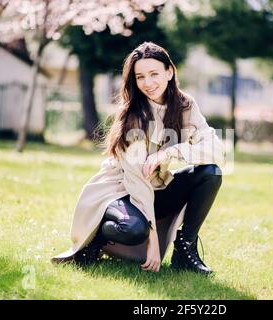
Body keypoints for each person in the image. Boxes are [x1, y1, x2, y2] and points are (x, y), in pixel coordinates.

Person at [52, 42, 224, 275]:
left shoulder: (185, 105)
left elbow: (216, 149)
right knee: (134, 229)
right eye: (140, 76)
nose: (148, 83)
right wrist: (152, 241)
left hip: (154, 188)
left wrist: (170, 152)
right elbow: (136, 179)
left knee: (210, 173)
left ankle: (185, 251)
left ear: (169, 72)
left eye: (154, 74)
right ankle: (95, 240)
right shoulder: (133, 115)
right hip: (119, 191)